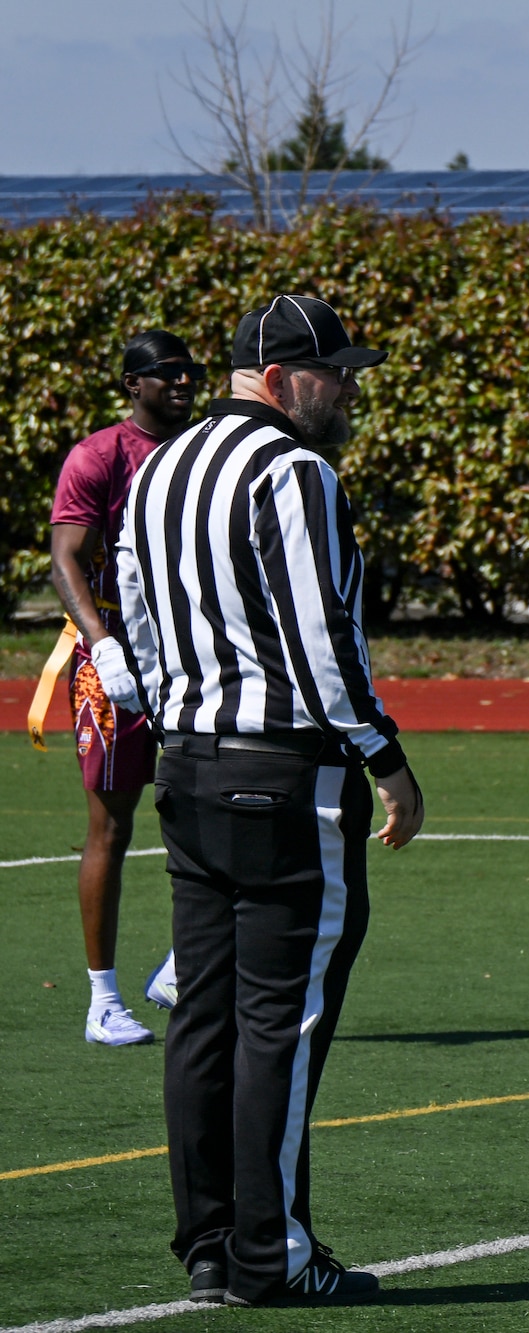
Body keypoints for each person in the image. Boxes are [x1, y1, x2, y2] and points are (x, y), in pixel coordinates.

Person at [117, 295, 424, 1307]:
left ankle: (210, 1244)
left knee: (203, 1015)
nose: (347, 389)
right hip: (285, 777)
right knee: (278, 1021)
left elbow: (136, 616)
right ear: (282, 375)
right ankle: (270, 1254)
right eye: (334, 371)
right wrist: (385, 755)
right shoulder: (294, 472)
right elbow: (318, 635)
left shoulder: (161, 464)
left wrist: (178, 722)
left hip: (191, 763)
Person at [41, 332, 201, 1045]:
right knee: (112, 820)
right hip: (112, 657)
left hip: (187, 654)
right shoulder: (98, 456)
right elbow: (65, 558)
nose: (182, 383)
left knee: (209, 798)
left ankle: (184, 962)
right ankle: (102, 998)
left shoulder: (199, 450)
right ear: (132, 385)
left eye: (189, 372)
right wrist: (102, 650)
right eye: (166, 374)